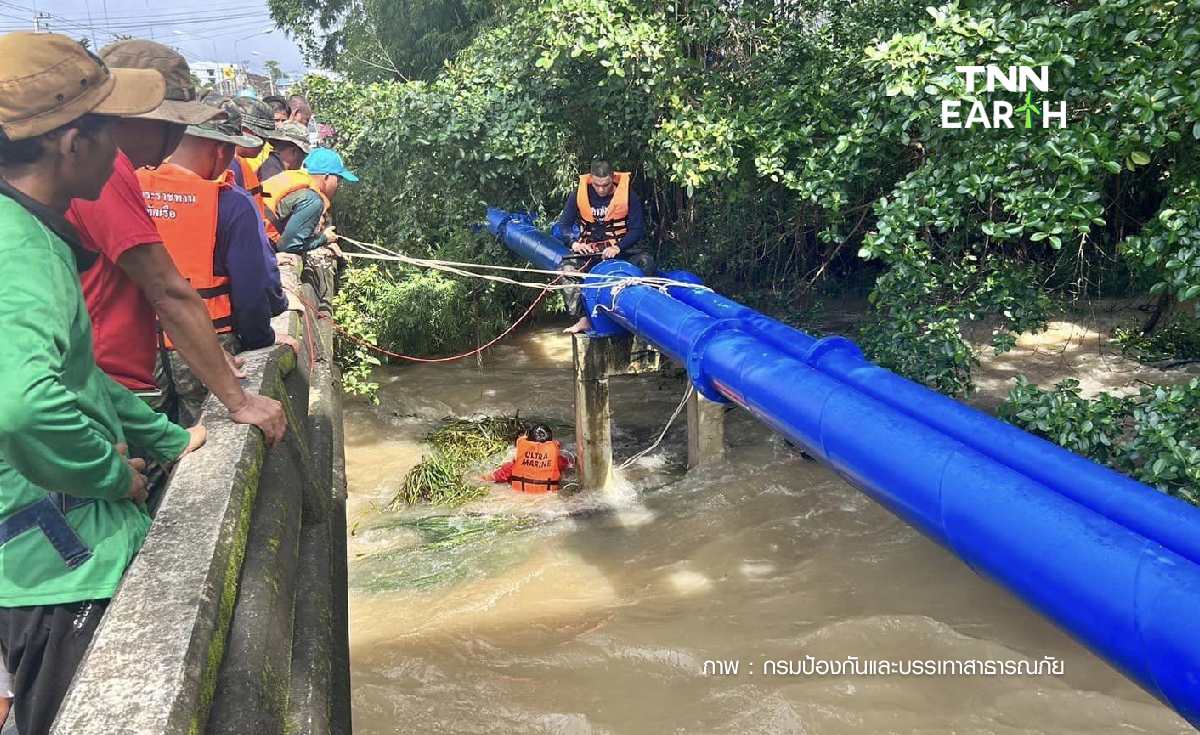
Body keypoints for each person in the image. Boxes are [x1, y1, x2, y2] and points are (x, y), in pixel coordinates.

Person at [0, 32, 206, 735]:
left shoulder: (34, 231)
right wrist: (109, 474)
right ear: (70, 143)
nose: (122, 149)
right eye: (107, 129)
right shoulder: (20, 254)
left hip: (55, 549)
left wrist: (172, 437)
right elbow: (23, 407)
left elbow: (82, 379)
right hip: (59, 564)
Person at [65, 40, 287, 445]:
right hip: (101, 385)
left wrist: (211, 352)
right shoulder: (105, 169)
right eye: (176, 123)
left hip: (115, 379)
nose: (178, 136)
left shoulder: (108, 171)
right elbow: (167, 289)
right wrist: (239, 401)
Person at [138, 109, 297, 424]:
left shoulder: (129, 190)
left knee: (151, 448)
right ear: (222, 149)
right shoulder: (231, 203)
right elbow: (253, 292)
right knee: (205, 436)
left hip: (139, 350)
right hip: (207, 348)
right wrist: (260, 341)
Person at [554, 160, 650, 333]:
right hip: (590, 252)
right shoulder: (578, 194)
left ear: (612, 178)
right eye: (597, 185)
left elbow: (637, 229)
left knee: (646, 262)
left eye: (605, 185)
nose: (601, 189)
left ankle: (642, 315)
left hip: (621, 250)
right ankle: (584, 319)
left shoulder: (629, 195)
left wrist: (618, 247)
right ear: (591, 179)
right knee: (566, 269)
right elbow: (564, 226)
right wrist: (575, 243)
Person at [261, 146, 357, 311]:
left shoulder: (293, 178)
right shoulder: (312, 200)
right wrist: (324, 239)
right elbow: (289, 246)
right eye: (338, 179)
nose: (339, 185)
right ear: (326, 177)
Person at [487, 424, 575, 493]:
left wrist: (484, 478)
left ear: (529, 442)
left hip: (519, 495)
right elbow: (569, 464)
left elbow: (501, 475)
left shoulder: (518, 460)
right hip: (546, 497)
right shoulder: (558, 460)